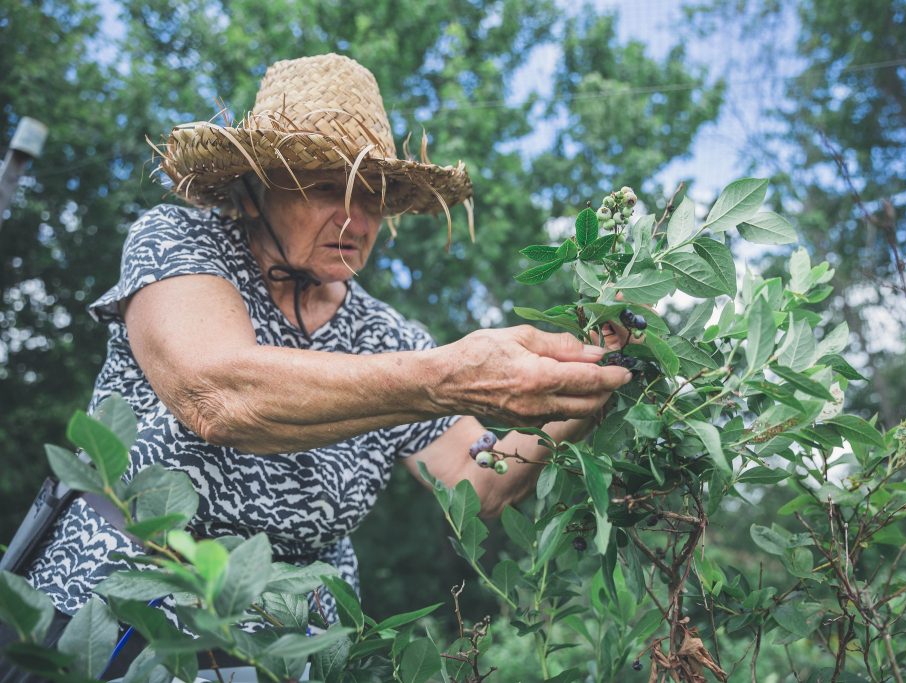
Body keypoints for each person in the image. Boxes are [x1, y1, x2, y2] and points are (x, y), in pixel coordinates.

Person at [1, 53, 631, 678]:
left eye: (373, 197)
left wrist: (587, 382)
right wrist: (445, 377)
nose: (355, 220)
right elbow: (216, 393)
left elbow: (484, 481)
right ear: (252, 194)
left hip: (277, 653)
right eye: (327, 187)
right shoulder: (181, 242)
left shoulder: (388, 337)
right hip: (106, 613)